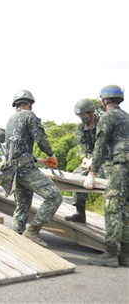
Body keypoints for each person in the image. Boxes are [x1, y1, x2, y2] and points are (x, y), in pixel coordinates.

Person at [2, 90, 63, 247]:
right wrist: (51, 155)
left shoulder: (11, 119)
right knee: (54, 196)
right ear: (30, 104)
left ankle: (16, 241)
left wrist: (36, 159)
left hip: (13, 170)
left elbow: (16, 148)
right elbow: (41, 139)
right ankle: (33, 231)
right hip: (24, 169)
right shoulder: (30, 116)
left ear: (16, 104)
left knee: (22, 206)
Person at [83, 85, 129, 267]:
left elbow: (100, 145)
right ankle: (126, 254)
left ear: (104, 100)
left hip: (119, 165)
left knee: (112, 206)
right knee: (126, 210)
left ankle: (110, 253)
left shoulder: (107, 117)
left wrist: (92, 172)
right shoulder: (126, 117)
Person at [65, 99, 110, 223]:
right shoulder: (81, 126)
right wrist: (84, 158)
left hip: (108, 157)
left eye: (83, 114)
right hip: (90, 158)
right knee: (78, 176)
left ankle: (112, 218)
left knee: (111, 183)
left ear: (91, 112)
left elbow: (106, 144)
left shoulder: (104, 121)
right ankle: (80, 213)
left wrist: (93, 159)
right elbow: (82, 144)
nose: (82, 118)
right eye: (79, 115)